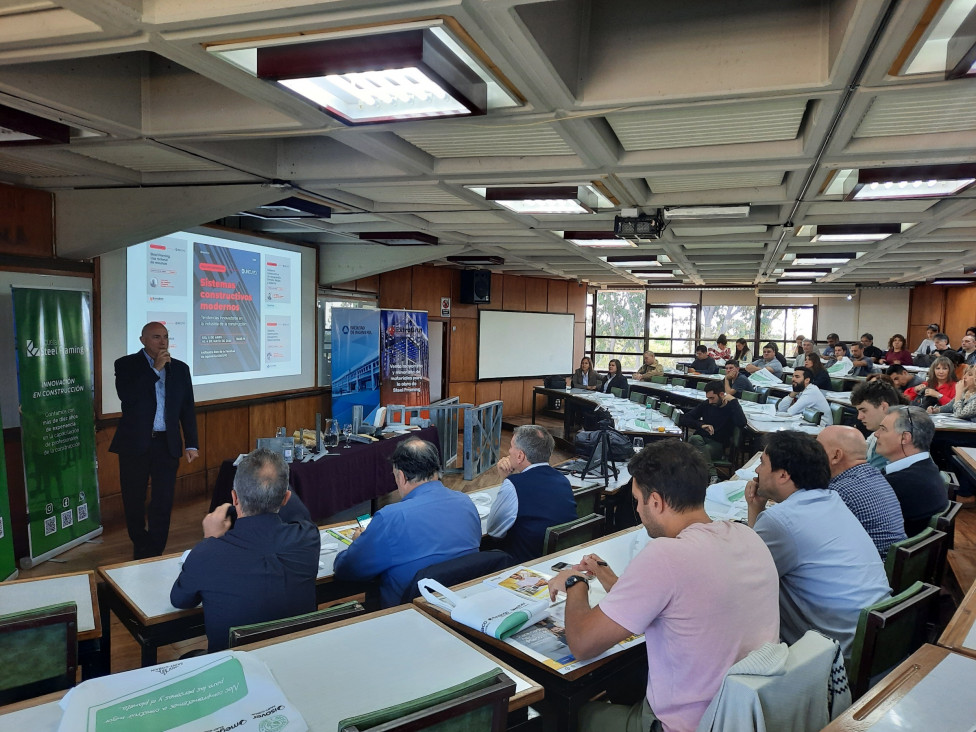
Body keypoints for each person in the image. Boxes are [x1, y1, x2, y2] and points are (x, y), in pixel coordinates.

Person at [549, 440, 779, 732]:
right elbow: (673, 604)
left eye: (637, 500)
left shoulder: (666, 555)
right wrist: (603, 574)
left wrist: (575, 580)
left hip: (687, 725)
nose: (638, 509)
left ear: (656, 502)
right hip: (745, 715)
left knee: (570, 711)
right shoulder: (749, 536)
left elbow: (581, 644)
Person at [745, 431, 890, 656]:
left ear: (783, 475)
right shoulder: (832, 499)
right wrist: (756, 509)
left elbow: (744, 577)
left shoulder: (781, 521)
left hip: (837, 652)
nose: (756, 470)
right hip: (874, 634)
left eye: (762, 463)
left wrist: (754, 512)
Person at [170, 448, 320, 652]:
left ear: (234, 497)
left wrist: (209, 540)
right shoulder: (308, 537)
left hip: (234, 674)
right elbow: (299, 512)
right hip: (294, 658)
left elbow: (180, 600)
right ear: (286, 498)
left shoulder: (207, 553)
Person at [333, 439, 482, 607]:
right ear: (435, 471)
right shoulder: (466, 503)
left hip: (405, 614)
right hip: (459, 606)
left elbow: (347, 569)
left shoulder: (391, 518)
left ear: (402, 477)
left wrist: (359, 542)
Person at [110, 321, 199, 559]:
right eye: (156, 337)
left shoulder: (180, 369)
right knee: (134, 499)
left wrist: (191, 443)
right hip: (135, 444)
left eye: (166, 337)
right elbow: (127, 397)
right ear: (143, 340)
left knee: (163, 500)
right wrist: (154, 371)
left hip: (166, 443)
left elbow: (187, 408)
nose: (163, 342)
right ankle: (140, 543)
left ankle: (155, 548)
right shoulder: (126, 364)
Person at [484, 425, 577, 562]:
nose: (509, 451)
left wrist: (506, 479)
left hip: (524, 563)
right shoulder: (563, 479)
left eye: (511, 447)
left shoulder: (514, 485)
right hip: (561, 558)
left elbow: (493, 531)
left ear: (520, 455)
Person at [816, 426, 906, 559]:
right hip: (893, 564)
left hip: (871, 571)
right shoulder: (875, 474)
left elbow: (814, 537)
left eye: (817, 450)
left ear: (836, 456)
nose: (812, 456)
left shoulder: (839, 491)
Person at [873, 407, 949, 536]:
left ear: (905, 438)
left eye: (883, 429)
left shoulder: (898, 484)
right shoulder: (928, 467)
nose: (876, 434)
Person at [678, 380, 747, 484]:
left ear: (721, 394)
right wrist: (701, 425)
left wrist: (734, 402)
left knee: (693, 452)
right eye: (708, 398)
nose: (710, 401)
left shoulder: (731, 406)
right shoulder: (707, 404)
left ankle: (694, 480)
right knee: (694, 439)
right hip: (701, 440)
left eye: (712, 398)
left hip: (718, 444)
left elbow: (742, 423)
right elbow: (684, 418)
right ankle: (713, 475)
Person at [930, 365, 976, 508]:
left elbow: (960, 413)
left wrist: (958, 393)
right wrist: (935, 410)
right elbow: (950, 407)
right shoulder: (967, 392)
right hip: (965, 432)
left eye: (969, 375)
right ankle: (944, 486)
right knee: (936, 441)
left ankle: (965, 492)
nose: (964, 378)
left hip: (972, 436)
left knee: (943, 443)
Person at [850, 379, 903, 470]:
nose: (859, 417)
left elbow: (870, 475)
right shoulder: (876, 434)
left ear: (884, 407)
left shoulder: (894, 439)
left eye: (864, 411)